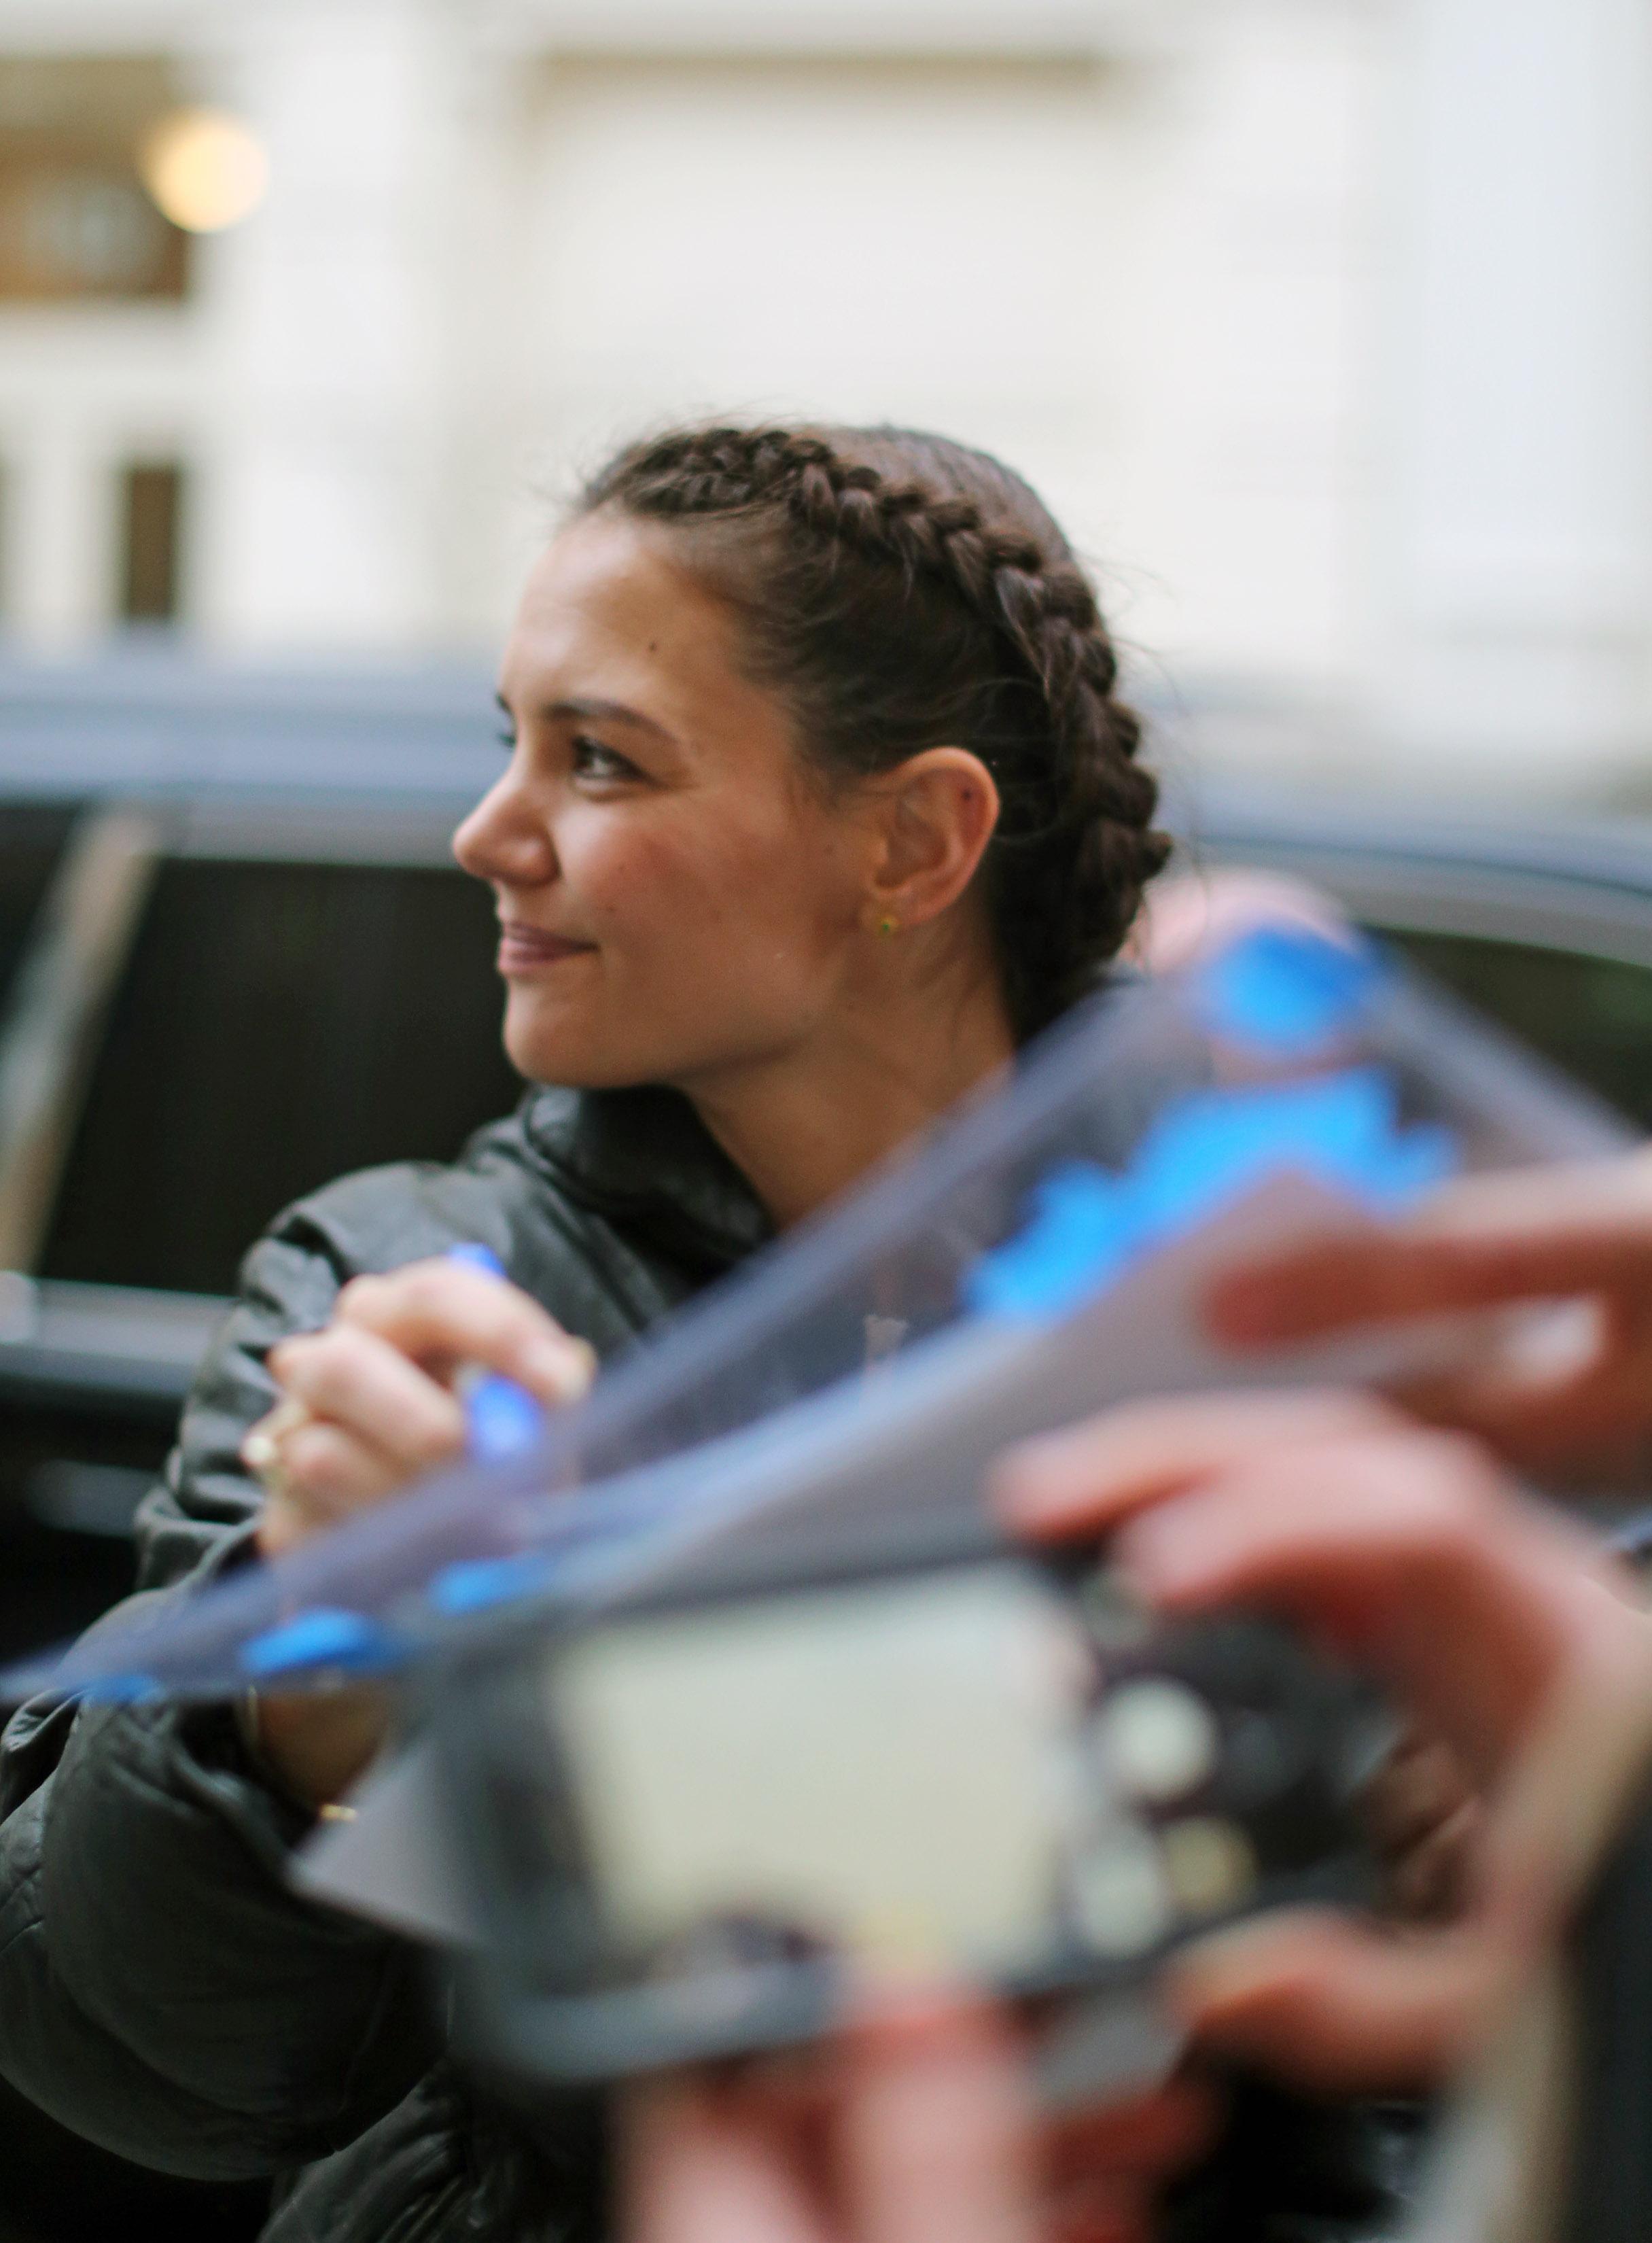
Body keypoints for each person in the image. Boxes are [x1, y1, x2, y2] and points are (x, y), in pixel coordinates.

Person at [9, 419, 1370, 2243]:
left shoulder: (1279, 1301)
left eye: (599, 759)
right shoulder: (412, 1302)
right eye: (508, 739)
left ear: (914, 837)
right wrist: (304, 1699)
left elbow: (1429, 2076)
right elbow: (131, 2061)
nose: (488, 831)